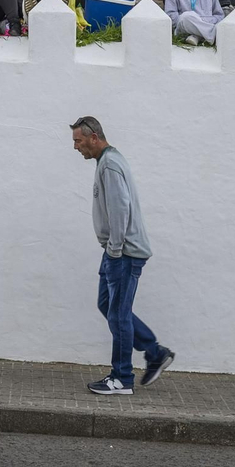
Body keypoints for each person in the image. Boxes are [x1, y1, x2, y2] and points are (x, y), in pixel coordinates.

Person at [68, 116, 172, 396]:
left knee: (119, 315)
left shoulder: (110, 164)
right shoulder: (107, 161)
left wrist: (114, 250)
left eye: (78, 141)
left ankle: (122, 377)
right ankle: (155, 352)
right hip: (116, 251)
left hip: (123, 252)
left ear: (93, 137)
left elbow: (119, 209)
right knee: (109, 307)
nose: (76, 147)